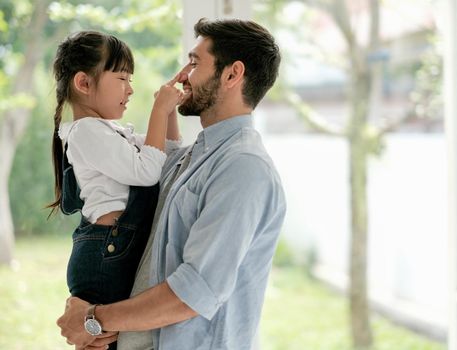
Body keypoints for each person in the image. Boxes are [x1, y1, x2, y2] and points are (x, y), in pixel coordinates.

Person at [57, 18, 286, 350]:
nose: (184, 74)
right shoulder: (199, 155)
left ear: (232, 74)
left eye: (194, 63)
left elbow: (193, 292)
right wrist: (167, 111)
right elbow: (162, 161)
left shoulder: (243, 168)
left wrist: (94, 318)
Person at [49, 31, 185, 349]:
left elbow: (167, 155)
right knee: (103, 341)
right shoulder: (86, 132)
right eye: (122, 78)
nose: (130, 89)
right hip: (104, 256)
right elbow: (147, 170)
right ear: (84, 83)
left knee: (113, 338)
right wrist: (158, 111)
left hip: (117, 249)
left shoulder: (110, 132)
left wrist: (169, 108)